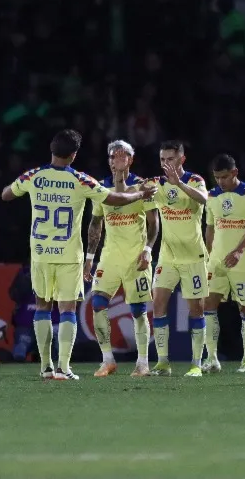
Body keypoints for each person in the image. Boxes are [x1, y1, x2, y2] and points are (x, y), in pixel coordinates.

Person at [1, 129, 156, 380]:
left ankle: (45, 367)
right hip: (68, 255)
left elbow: (6, 194)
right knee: (67, 310)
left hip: (40, 253)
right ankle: (63, 367)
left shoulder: (34, 175)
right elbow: (113, 201)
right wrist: (140, 195)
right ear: (74, 155)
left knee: (41, 307)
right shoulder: (82, 180)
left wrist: (22, 184)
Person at [83, 140, 159, 377]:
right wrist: (89, 258)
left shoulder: (143, 186)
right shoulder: (99, 189)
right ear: (108, 161)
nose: (117, 158)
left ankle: (143, 362)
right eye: (112, 155)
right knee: (97, 303)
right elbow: (96, 224)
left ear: (130, 159)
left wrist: (148, 250)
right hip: (109, 256)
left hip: (136, 257)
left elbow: (153, 223)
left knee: (137, 310)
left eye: (122, 155)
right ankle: (107, 360)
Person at [145, 140, 210, 377]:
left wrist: (179, 184)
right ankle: (163, 362)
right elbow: (136, 194)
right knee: (158, 305)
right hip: (167, 257)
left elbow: (204, 199)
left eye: (170, 159)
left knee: (196, 310)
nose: (165, 164)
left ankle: (196, 364)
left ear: (181, 159)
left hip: (193, 257)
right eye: (162, 160)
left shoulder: (194, 180)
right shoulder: (156, 184)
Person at [200, 154, 245, 373]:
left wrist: (238, 251)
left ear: (235, 173)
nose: (220, 182)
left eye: (224, 177)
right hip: (217, 262)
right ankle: (212, 359)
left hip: (242, 261)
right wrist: (210, 255)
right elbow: (210, 227)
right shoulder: (211, 196)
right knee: (208, 305)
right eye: (217, 177)